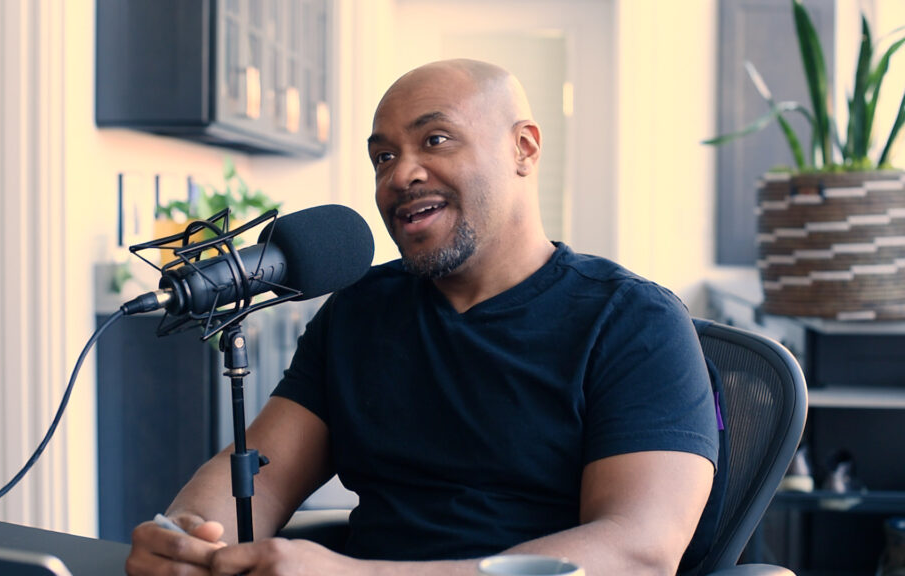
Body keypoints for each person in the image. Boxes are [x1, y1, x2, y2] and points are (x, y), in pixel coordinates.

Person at [126, 58, 719, 576]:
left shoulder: (633, 322)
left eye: (435, 140)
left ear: (524, 148)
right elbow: (263, 472)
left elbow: (638, 552)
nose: (400, 174)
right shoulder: (359, 310)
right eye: (383, 156)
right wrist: (187, 536)